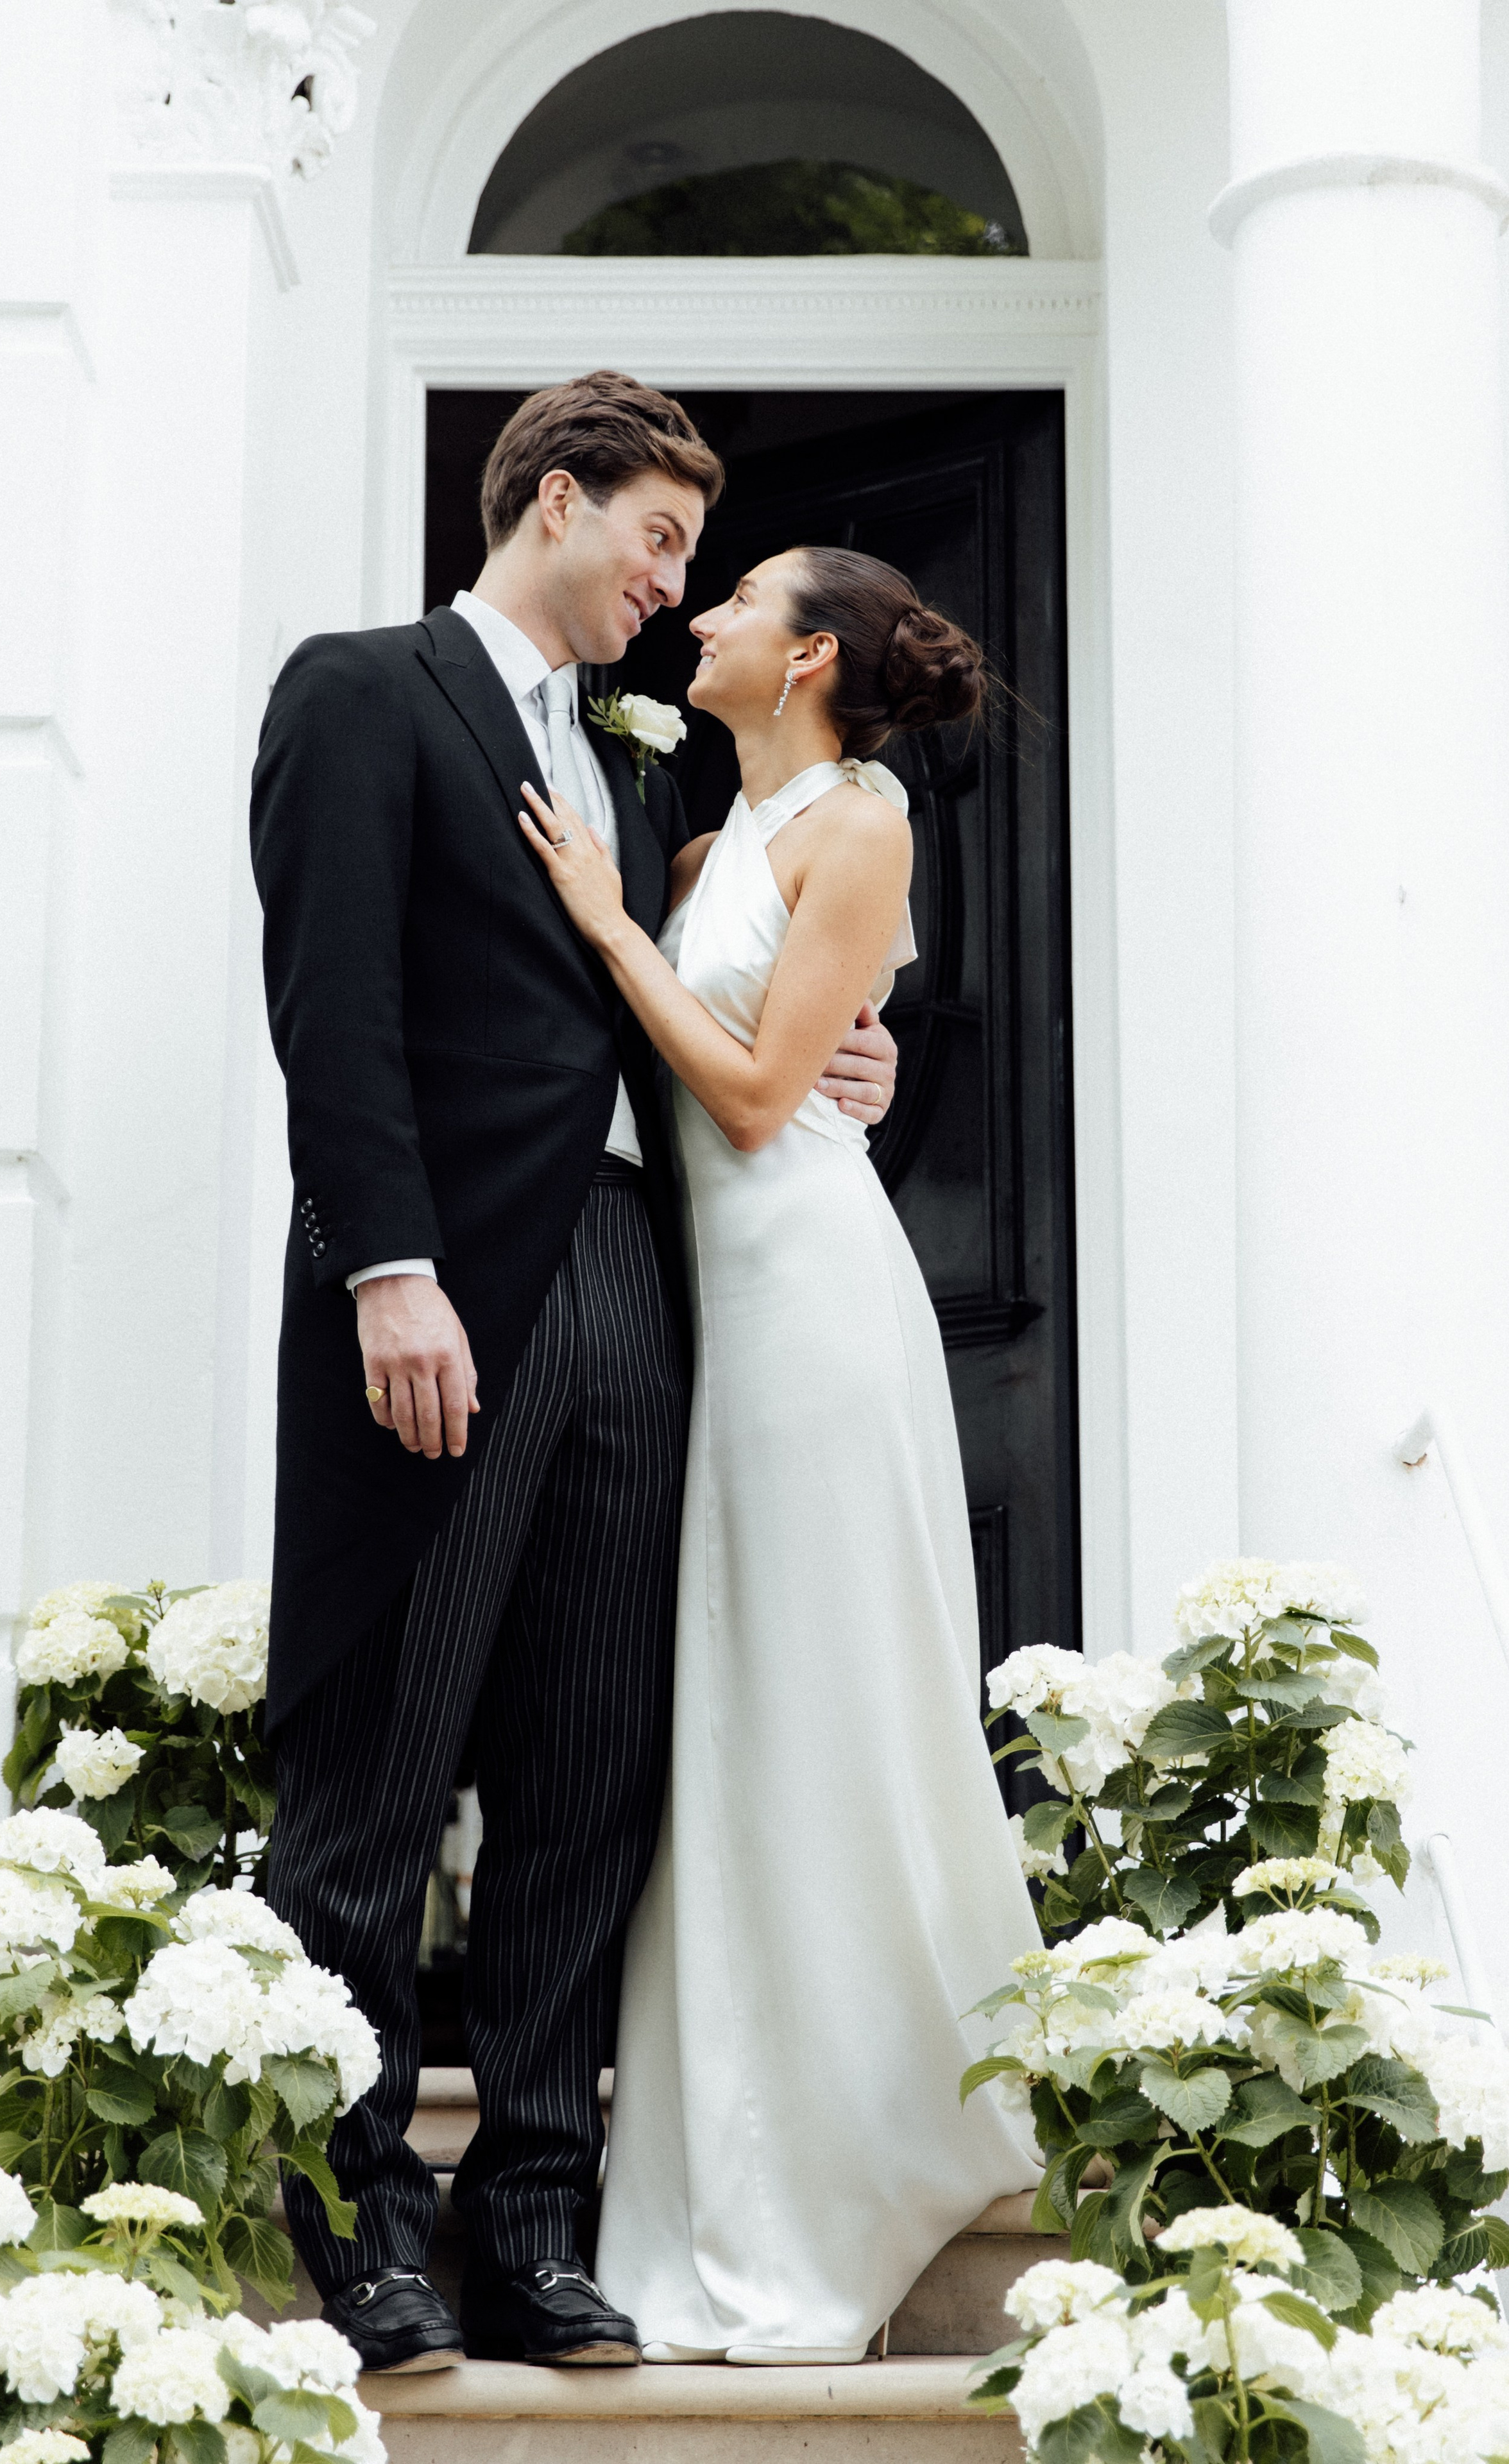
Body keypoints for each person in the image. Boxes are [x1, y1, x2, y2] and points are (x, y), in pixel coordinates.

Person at [248, 375, 899, 2374]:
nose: (671, 586)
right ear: (552, 500)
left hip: (636, 1280)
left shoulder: (632, 776)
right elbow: (334, 1003)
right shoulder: (362, 690)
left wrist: (851, 1056)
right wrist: (390, 1269)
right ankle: (364, 2228)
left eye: (695, 560)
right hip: (447, 1280)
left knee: (588, 1775)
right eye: (658, 540)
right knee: (379, 1773)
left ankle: (536, 2225)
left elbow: (702, 1016)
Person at [517, 543, 1043, 2365]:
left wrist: (608, 931)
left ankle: (873, 2129)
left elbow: (752, 1101)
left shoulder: (863, 821)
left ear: (811, 655)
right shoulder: (695, 854)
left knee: (818, 1693)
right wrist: (631, 918)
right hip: (705, 1313)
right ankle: (726, 2162)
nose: (704, 615)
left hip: (811, 1307)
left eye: (739, 597)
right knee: (732, 1716)